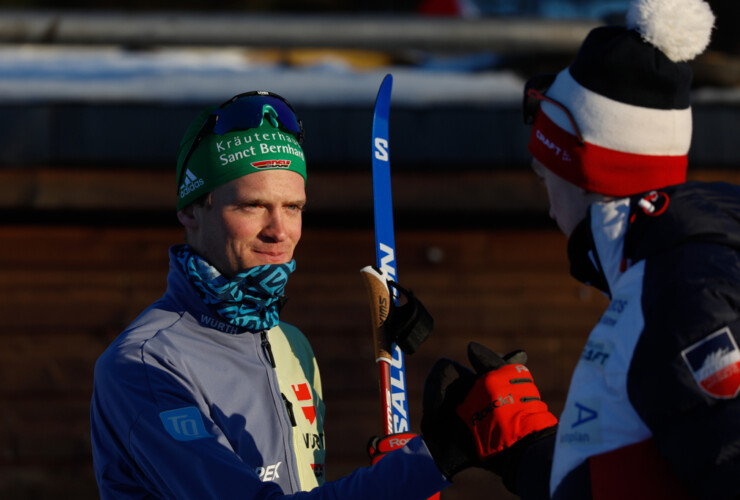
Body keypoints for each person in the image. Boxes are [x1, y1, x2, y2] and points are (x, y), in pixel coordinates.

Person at [419, 0, 740, 498]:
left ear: (583, 172)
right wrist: (525, 445)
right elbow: (636, 478)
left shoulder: (680, 295)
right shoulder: (659, 274)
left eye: (546, 177)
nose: (549, 209)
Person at [89, 91, 454, 499]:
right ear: (191, 210)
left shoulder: (290, 344)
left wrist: (401, 477)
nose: (280, 231)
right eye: (253, 206)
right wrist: (436, 459)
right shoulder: (145, 363)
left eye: (293, 208)